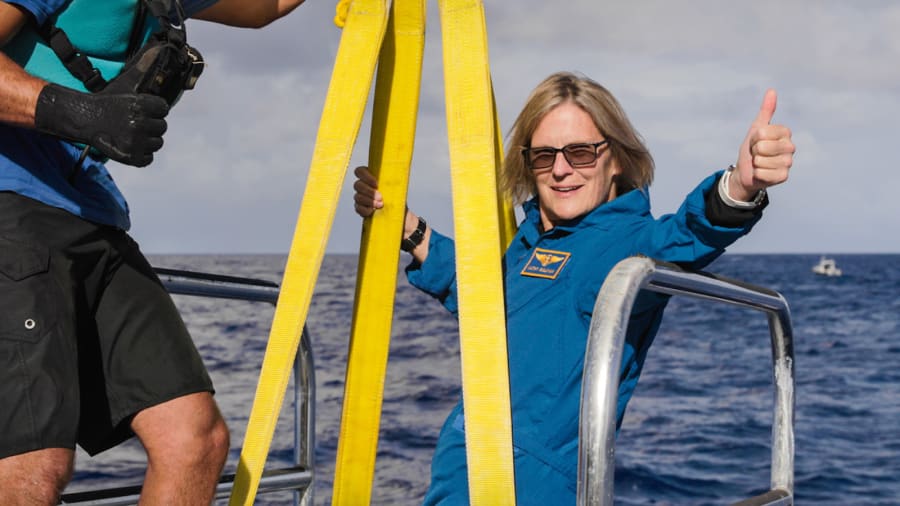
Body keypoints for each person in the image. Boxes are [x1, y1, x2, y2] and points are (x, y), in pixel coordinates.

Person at [352, 71, 795, 504]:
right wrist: (409, 228)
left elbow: (688, 234)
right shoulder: (529, 244)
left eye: (580, 153)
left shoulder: (629, 244)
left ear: (616, 158)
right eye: (544, 156)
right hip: (461, 471)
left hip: (534, 490)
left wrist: (740, 184)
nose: (561, 170)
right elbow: (484, 293)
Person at [0, 0, 305, 504]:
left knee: (194, 439)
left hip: (91, 213)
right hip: (12, 204)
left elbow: (265, 6)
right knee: (30, 465)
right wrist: (78, 112)